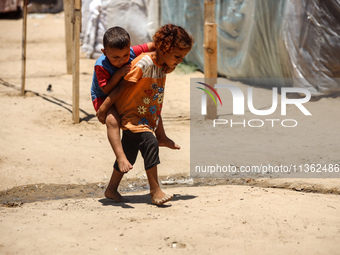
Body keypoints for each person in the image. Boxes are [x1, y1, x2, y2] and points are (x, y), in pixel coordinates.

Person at [96, 24, 194, 205]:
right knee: (150, 143)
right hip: (132, 115)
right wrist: (104, 108)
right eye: (177, 56)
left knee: (129, 153)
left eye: (183, 57)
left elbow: (166, 65)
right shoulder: (144, 63)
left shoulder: (163, 65)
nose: (180, 61)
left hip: (146, 114)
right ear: (164, 49)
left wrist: (170, 63)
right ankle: (155, 190)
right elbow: (122, 87)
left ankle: (111, 189)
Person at [91, 26, 155, 173]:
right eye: (115, 58)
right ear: (104, 52)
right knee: (112, 121)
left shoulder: (132, 51)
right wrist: (118, 74)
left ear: (129, 47)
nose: (121, 60)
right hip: (103, 96)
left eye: (125, 56)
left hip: (123, 92)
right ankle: (120, 157)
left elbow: (153, 45)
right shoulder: (101, 65)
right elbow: (106, 89)